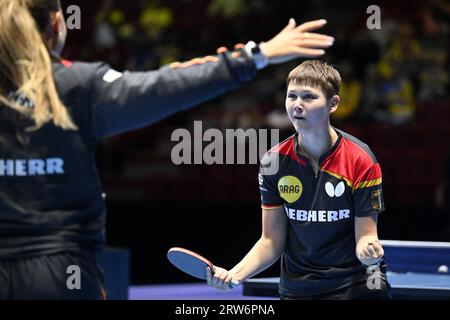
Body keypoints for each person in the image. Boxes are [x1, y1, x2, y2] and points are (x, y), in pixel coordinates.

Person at [0, 0, 334, 299]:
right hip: (58, 274)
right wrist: (253, 57)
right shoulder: (76, 86)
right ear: (57, 24)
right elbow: (162, 87)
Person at [206, 60, 392, 300]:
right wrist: (235, 275)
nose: (297, 105)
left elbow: (366, 235)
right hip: (298, 288)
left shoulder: (360, 158)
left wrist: (368, 250)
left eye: (309, 97)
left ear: (333, 104)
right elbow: (271, 241)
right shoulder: (273, 162)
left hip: (355, 284)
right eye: (291, 96)